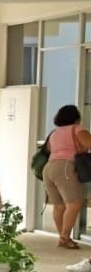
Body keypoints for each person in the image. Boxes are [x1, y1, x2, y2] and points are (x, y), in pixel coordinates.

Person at [41, 104, 91, 251]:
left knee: (59, 205)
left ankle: (63, 237)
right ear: (76, 117)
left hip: (49, 168)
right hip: (66, 167)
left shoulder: (54, 133)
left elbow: (49, 149)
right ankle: (64, 238)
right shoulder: (77, 130)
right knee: (74, 203)